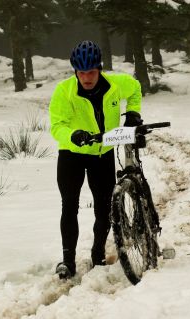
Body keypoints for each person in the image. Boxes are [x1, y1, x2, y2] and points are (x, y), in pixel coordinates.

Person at [49, 40, 143, 279]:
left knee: (104, 209)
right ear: (75, 72)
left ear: (99, 69)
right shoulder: (64, 91)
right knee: (69, 206)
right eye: (82, 73)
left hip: (102, 154)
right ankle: (67, 261)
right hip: (71, 155)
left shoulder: (115, 84)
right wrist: (73, 135)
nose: (87, 77)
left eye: (91, 72)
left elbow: (135, 89)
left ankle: (98, 253)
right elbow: (57, 126)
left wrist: (133, 112)